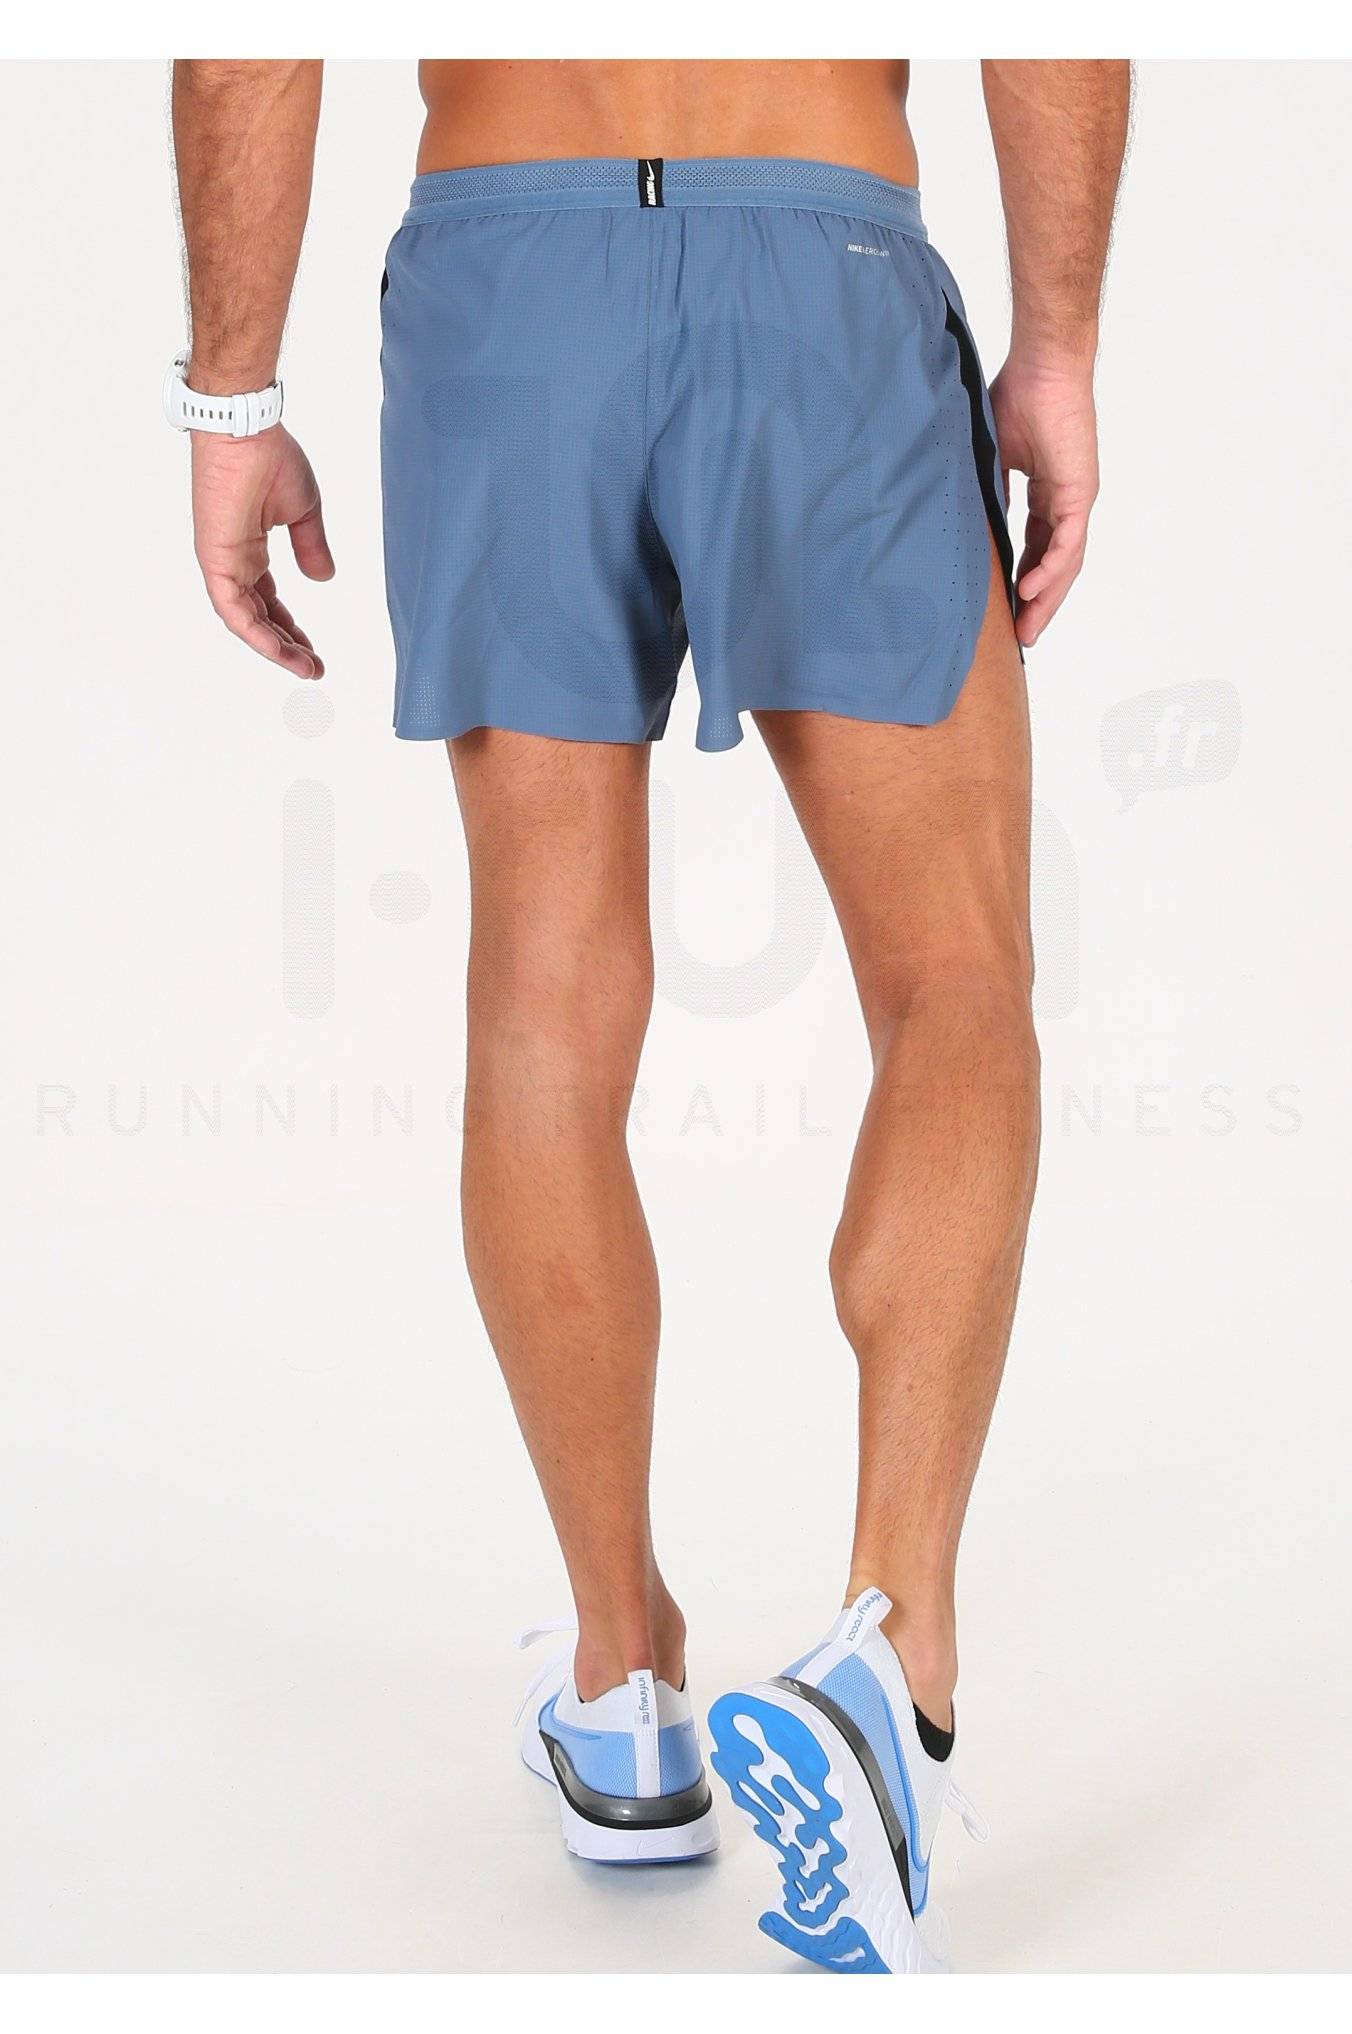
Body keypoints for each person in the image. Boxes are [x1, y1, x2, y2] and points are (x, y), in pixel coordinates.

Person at [169, 57, 1130, 1973]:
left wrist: (231, 397)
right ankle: (891, 1661)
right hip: (822, 257)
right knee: (954, 976)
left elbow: (242, 43)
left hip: (505, 277)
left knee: (543, 1002)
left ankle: (620, 1688)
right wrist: (1056, 348)